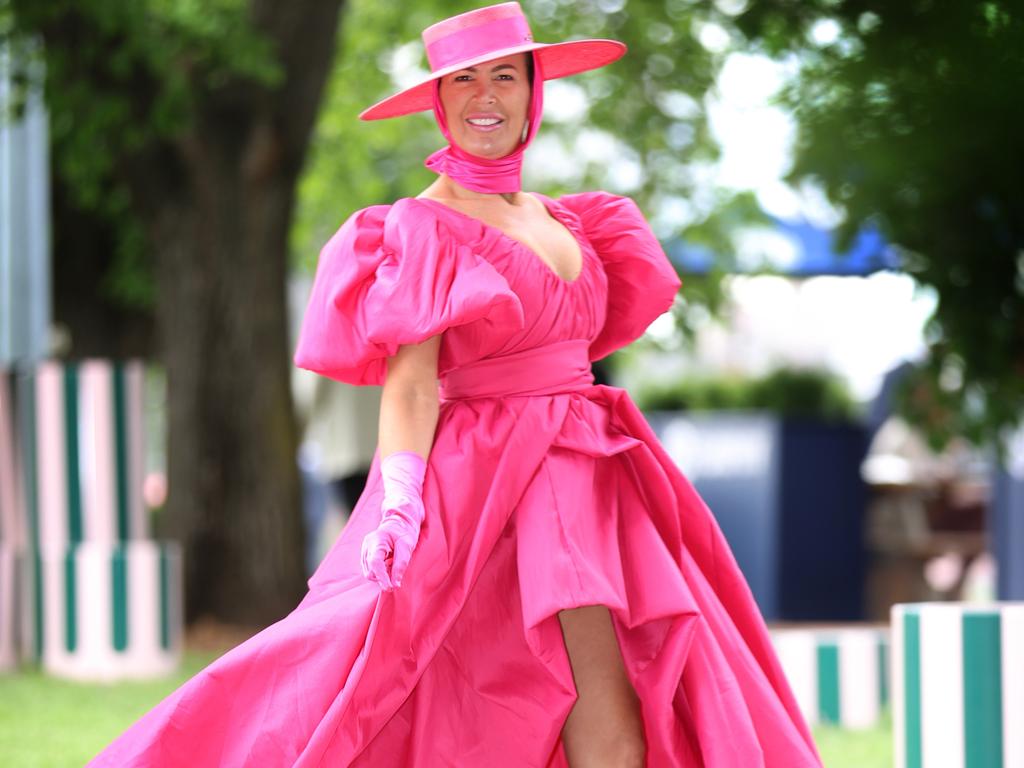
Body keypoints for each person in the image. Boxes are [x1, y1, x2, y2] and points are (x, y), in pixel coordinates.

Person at [87, 3, 823, 766]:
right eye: (462, 80)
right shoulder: (424, 226)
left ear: (534, 90)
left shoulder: (573, 221)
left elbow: (573, 349)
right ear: (438, 102)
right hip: (484, 482)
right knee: (416, 682)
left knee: (619, 703)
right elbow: (411, 386)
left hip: (592, 470)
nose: (484, 96)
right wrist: (401, 497)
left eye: (504, 75)